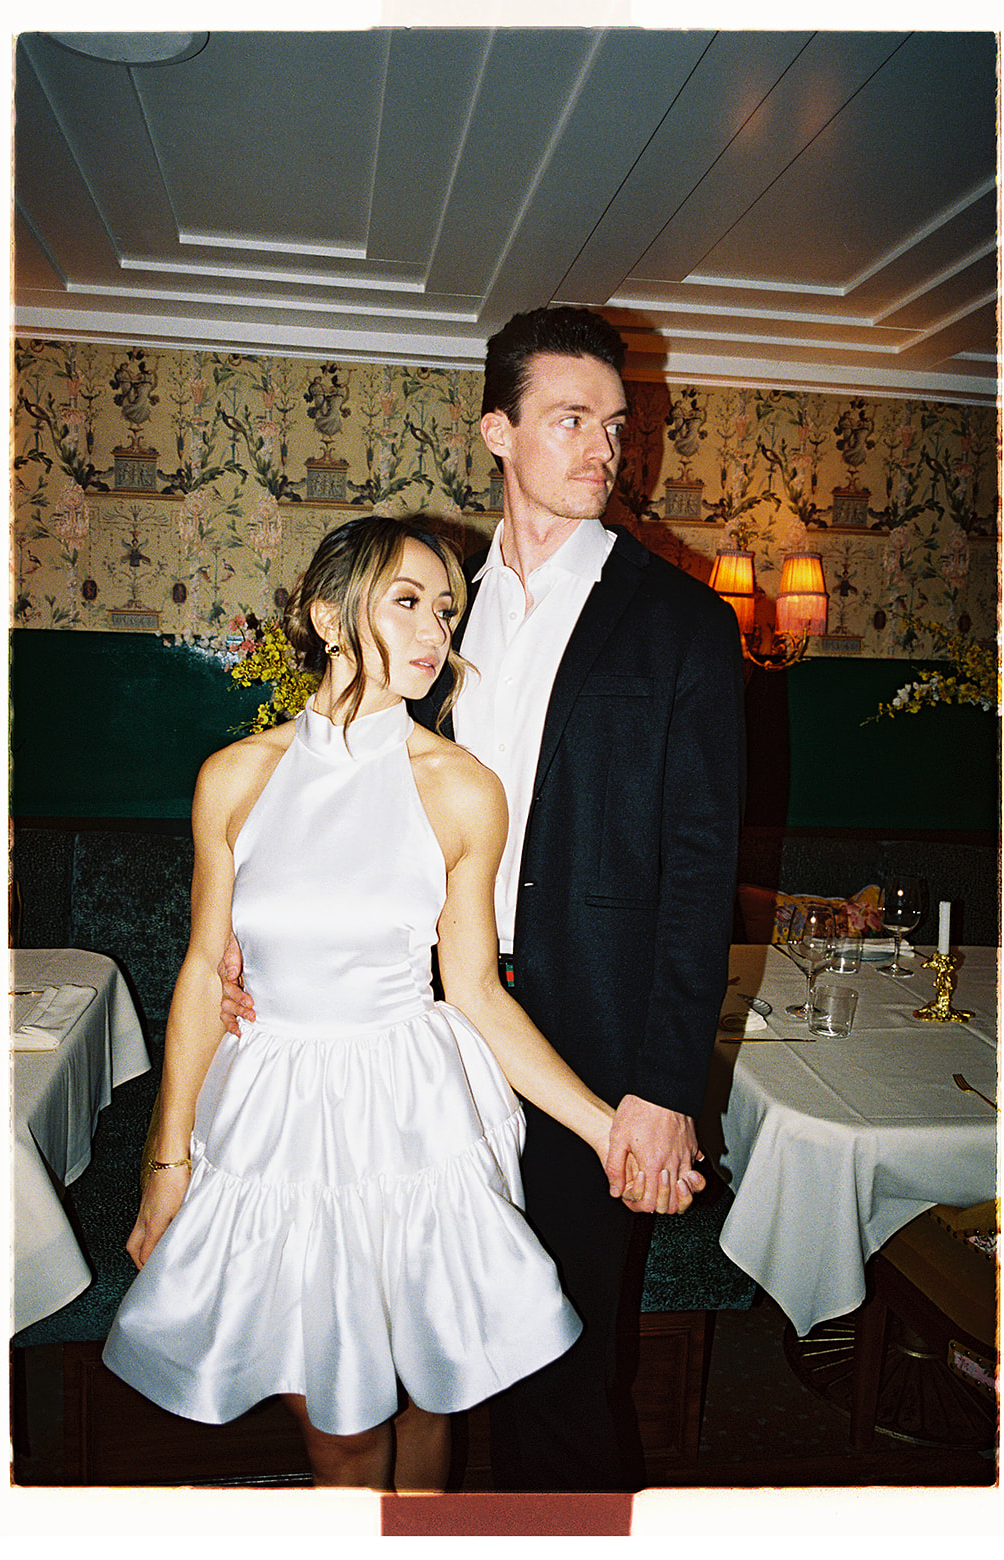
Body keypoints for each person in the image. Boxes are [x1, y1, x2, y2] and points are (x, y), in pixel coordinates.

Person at [220, 306, 746, 1490]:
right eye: (570, 421)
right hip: (414, 1031)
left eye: (614, 426)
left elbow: (697, 871)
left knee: (560, 1362)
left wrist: (660, 1087)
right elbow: (340, 773)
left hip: (586, 1033)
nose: (603, 449)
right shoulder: (431, 604)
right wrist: (257, 939)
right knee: (422, 1352)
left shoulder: (680, 623)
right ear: (496, 431)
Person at [102, 516, 656, 1493]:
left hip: (411, 1116)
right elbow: (200, 970)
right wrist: (165, 1163)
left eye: (446, 609)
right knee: (342, 1432)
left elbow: (477, 992)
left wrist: (607, 1128)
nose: (435, 630)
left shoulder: (460, 789)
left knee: (424, 1400)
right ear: (327, 615)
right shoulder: (236, 778)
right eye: (406, 601)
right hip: (276, 1115)